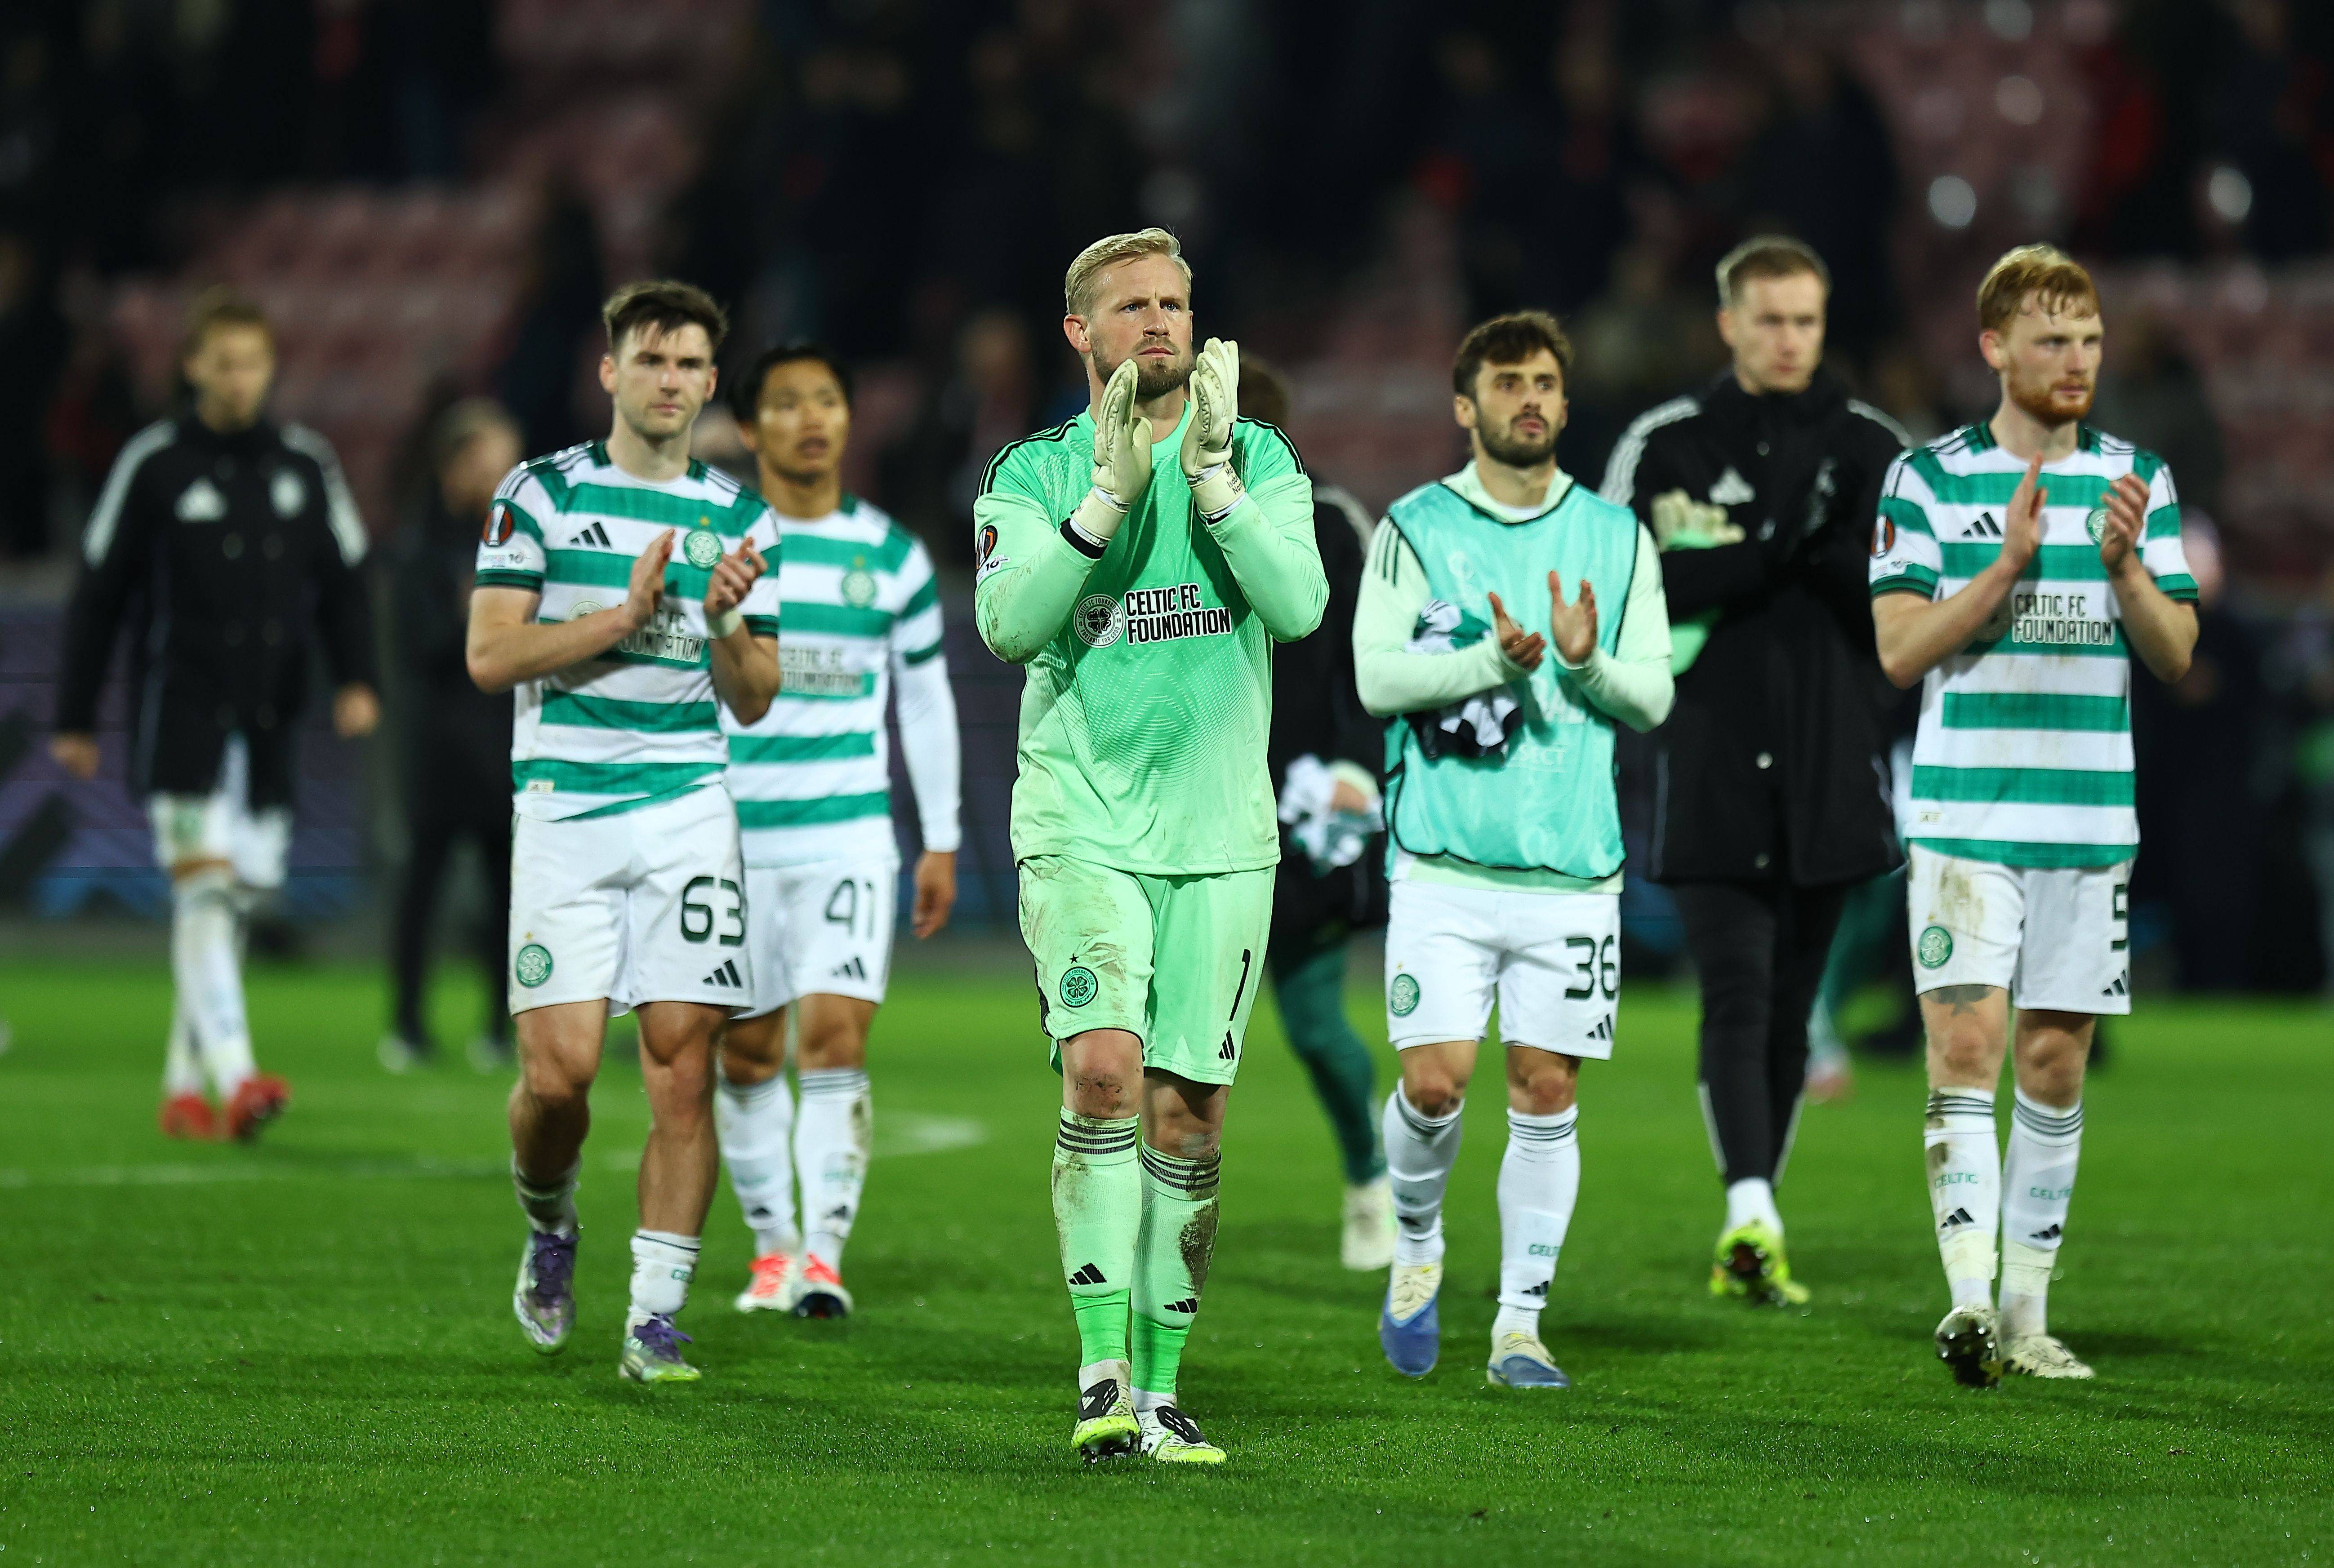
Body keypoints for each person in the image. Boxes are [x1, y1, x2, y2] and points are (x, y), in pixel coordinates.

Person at [974, 228, 1326, 1465]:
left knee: (1190, 1115)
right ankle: (1104, 1373)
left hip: (1221, 837)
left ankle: (1169, 1392)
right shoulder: (1032, 473)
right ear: (1080, 330)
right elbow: (1012, 628)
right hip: (1083, 824)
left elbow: (1299, 608)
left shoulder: (1261, 454)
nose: (1160, 324)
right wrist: (1112, 495)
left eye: (1176, 302)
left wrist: (1216, 483)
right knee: (1104, 1071)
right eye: (1132, 306)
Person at [1870, 245, 2198, 1386]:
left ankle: (2024, 1311)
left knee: (2053, 1065)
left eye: (2090, 338)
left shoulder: (2137, 480)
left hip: (2088, 824)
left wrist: (2124, 575)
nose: (2075, 359)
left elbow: (2176, 652)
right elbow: (1901, 648)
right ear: (1994, 348)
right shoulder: (1928, 479)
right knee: (1965, 1049)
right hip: (1964, 820)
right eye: (2051, 339)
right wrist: (2006, 565)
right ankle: (1966, 1303)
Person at [466, 280, 782, 1384]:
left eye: (691, 365)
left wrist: (724, 618)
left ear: (709, 382)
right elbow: (490, 656)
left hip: (689, 809)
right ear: (609, 371)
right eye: (651, 360)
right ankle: (550, 1222)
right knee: (557, 1081)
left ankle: (655, 1315)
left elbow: (752, 698)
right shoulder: (541, 496)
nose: (671, 380)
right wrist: (621, 618)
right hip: (564, 808)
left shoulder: (741, 520)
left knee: (681, 1063)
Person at [1360, 311, 1673, 1390]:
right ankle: (1413, 1244)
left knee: (1545, 1090)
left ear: (1564, 403)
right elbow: (1377, 679)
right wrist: (1489, 662)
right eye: (1505, 382)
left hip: (1573, 869)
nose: (1527, 397)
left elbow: (1652, 692)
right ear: (1466, 405)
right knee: (1437, 1085)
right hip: (1443, 865)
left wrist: (1581, 666)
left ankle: (1519, 1325)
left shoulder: (1617, 538)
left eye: (1543, 381)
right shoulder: (1411, 528)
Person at [1597, 236, 1906, 1304]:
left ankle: (1754, 1216)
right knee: (1735, 991)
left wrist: (1730, 561)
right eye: (1768, 319)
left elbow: (1895, 608)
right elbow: (1627, 588)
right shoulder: (1668, 443)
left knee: (1790, 1002)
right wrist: (1786, 544)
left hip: (1830, 757)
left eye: (1805, 321)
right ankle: (1750, 1207)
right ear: (1726, 323)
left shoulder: (1874, 448)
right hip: (1710, 760)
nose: (1788, 339)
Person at [52, 287, 379, 1142]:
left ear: (271, 368)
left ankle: (180, 1085)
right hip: (185, 714)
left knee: (236, 895)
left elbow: (347, 582)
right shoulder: (153, 463)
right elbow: (100, 593)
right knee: (203, 886)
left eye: (253, 363)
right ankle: (237, 1076)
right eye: (224, 362)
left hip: (273, 719)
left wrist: (357, 678)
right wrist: (76, 713)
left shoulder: (306, 465)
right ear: (193, 365)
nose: (240, 379)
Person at [713, 342, 962, 1319]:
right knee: (745, 1051)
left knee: (833, 1036)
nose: (811, 419)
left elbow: (927, 701)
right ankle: (769, 1245)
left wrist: (937, 835)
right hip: (733, 839)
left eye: (827, 399)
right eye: (786, 404)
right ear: (749, 427)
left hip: (849, 836)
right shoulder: (726, 549)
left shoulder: (890, 554)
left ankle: (822, 1254)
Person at [1235, 351, 1394, 1271]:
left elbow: (1366, 664)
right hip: (1186, 807)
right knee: (1162, 1031)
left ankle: (1369, 1173)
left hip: (1296, 812)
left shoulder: (1329, 522)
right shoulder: (1162, 514)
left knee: (1314, 1025)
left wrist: (1357, 769)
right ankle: (1142, 1199)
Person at [381, 399, 523, 1075]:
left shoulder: (519, 545)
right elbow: (415, 647)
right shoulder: (418, 546)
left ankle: (499, 1027)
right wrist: (471, 615)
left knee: (509, 898)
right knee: (422, 892)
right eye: (496, 460)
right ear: (458, 464)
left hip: (504, 744)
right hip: (438, 748)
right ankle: (407, 1024)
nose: (507, 475)